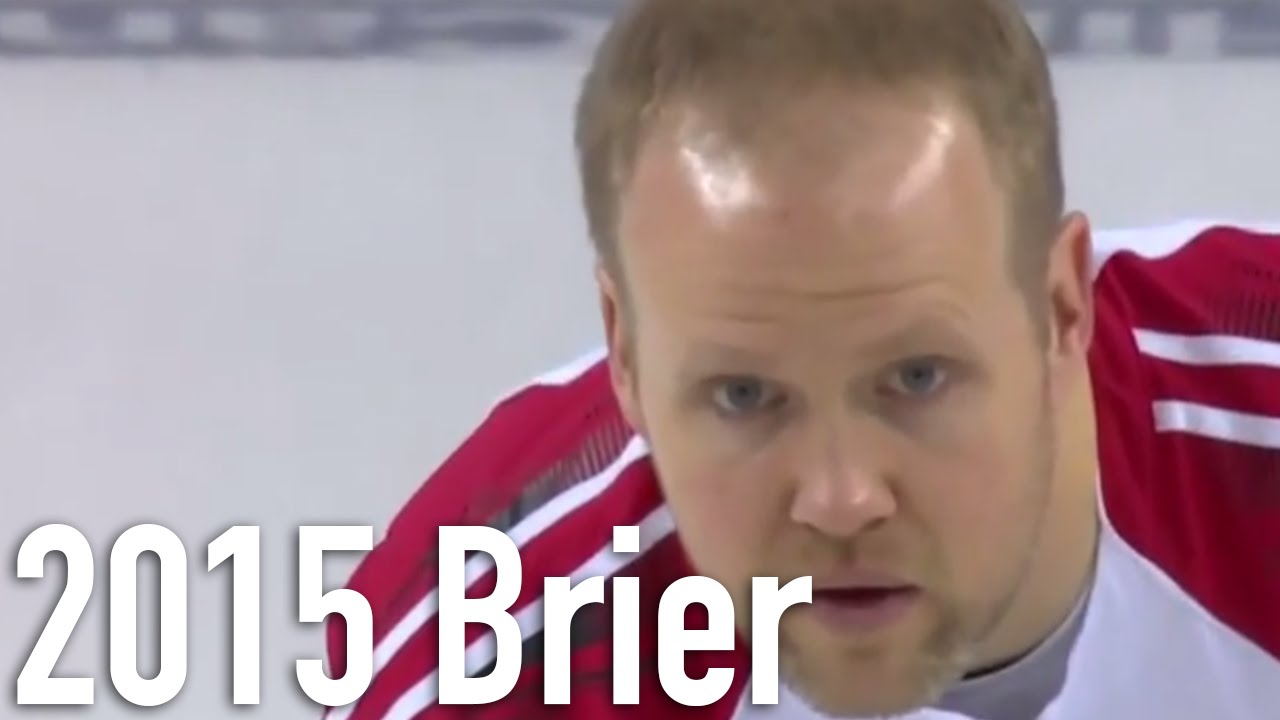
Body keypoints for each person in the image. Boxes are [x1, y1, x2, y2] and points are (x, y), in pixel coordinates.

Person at [322, 0, 1280, 718]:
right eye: (745, 397)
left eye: (915, 379)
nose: (839, 497)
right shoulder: (486, 660)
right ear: (626, 354)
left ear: (1061, 306)